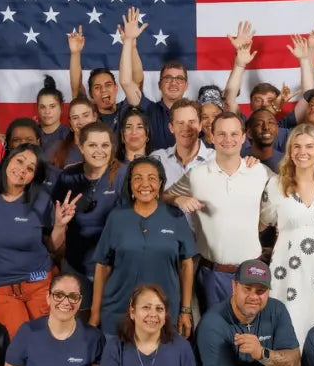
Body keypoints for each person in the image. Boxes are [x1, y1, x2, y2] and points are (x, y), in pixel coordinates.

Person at [164, 112, 272, 313]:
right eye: (221, 134)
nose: (228, 139)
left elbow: (289, 187)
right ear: (211, 137)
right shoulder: (196, 175)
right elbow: (163, 196)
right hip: (212, 274)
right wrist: (179, 199)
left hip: (252, 272)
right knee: (213, 335)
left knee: (251, 337)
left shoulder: (260, 172)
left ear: (243, 137)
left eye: (234, 134)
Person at [0, 143, 80, 336]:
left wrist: (60, 225)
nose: (22, 170)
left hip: (39, 282)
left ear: (35, 176)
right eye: (19, 161)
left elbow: (53, 247)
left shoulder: (41, 200)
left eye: (30, 168)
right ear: (9, 160)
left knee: (49, 341)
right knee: (21, 346)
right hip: (1, 287)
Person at [91, 158, 197, 337]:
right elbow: (102, 267)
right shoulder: (116, 217)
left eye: (152, 178)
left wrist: (185, 311)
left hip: (164, 314)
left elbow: (186, 266)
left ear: (161, 183)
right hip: (118, 311)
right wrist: (94, 314)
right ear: (130, 183)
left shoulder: (175, 216)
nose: (145, 184)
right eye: (138, 178)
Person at [259, 124, 314, 347]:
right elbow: (260, 224)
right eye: (296, 146)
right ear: (289, 150)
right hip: (287, 270)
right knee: (289, 324)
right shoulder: (275, 184)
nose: (302, 152)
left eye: (308, 146)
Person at [196, 260, 304, 366]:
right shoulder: (213, 323)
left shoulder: (276, 310)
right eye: (247, 289)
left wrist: (261, 353)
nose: (253, 297)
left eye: (260, 291)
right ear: (234, 287)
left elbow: (295, 362)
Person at [51, 122, 128, 308]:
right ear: (81, 148)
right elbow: (54, 241)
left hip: (115, 269)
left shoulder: (123, 175)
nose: (99, 151)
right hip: (76, 268)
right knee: (80, 327)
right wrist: (60, 224)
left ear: (112, 148)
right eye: (92, 145)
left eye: (105, 145)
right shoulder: (67, 177)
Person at [1, 273, 104, 366]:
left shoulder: (94, 338)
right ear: (48, 298)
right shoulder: (27, 332)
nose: (66, 302)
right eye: (59, 295)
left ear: (79, 301)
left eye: (73, 296)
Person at [98, 284, 204, 366]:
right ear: (132, 312)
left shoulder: (181, 346)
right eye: (146, 307)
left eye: (159, 309)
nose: (153, 314)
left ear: (165, 316)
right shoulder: (115, 347)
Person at [119, 6, 188, 150]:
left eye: (179, 79)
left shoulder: (195, 113)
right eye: (168, 78)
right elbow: (126, 82)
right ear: (159, 84)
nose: (173, 82)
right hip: (152, 172)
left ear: (186, 85)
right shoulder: (147, 109)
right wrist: (129, 42)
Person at [68, 24, 145, 129]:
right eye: (97, 87)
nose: (103, 90)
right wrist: (75, 53)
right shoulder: (89, 116)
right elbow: (76, 88)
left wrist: (131, 46)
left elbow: (137, 82)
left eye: (108, 85)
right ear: (91, 94)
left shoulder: (127, 109)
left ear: (116, 87)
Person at [150, 100, 215, 187]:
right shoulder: (157, 159)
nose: (186, 128)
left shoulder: (217, 160)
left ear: (200, 125)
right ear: (171, 128)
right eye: (180, 123)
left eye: (191, 122)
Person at [51, 97, 99, 169]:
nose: (81, 122)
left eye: (86, 115)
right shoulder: (58, 149)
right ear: (70, 123)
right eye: (75, 117)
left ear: (95, 117)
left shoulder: (105, 147)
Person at [36, 76, 71, 162]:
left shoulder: (69, 135)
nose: (47, 112)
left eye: (52, 106)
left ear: (62, 107)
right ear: (37, 109)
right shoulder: (32, 132)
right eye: (42, 107)